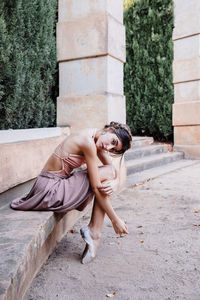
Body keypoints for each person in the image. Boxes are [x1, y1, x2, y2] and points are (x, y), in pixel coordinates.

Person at [11, 121, 132, 264]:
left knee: (107, 175)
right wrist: (115, 220)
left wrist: (115, 181)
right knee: (103, 179)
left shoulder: (95, 137)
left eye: (113, 148)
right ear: (111, 130)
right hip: (50, 190)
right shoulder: (87, 142)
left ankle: (94, 231)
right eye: (113, 141)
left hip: (49, 186)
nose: (108, 147)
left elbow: (112, 170)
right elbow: (96, 186)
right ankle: (94, 232)